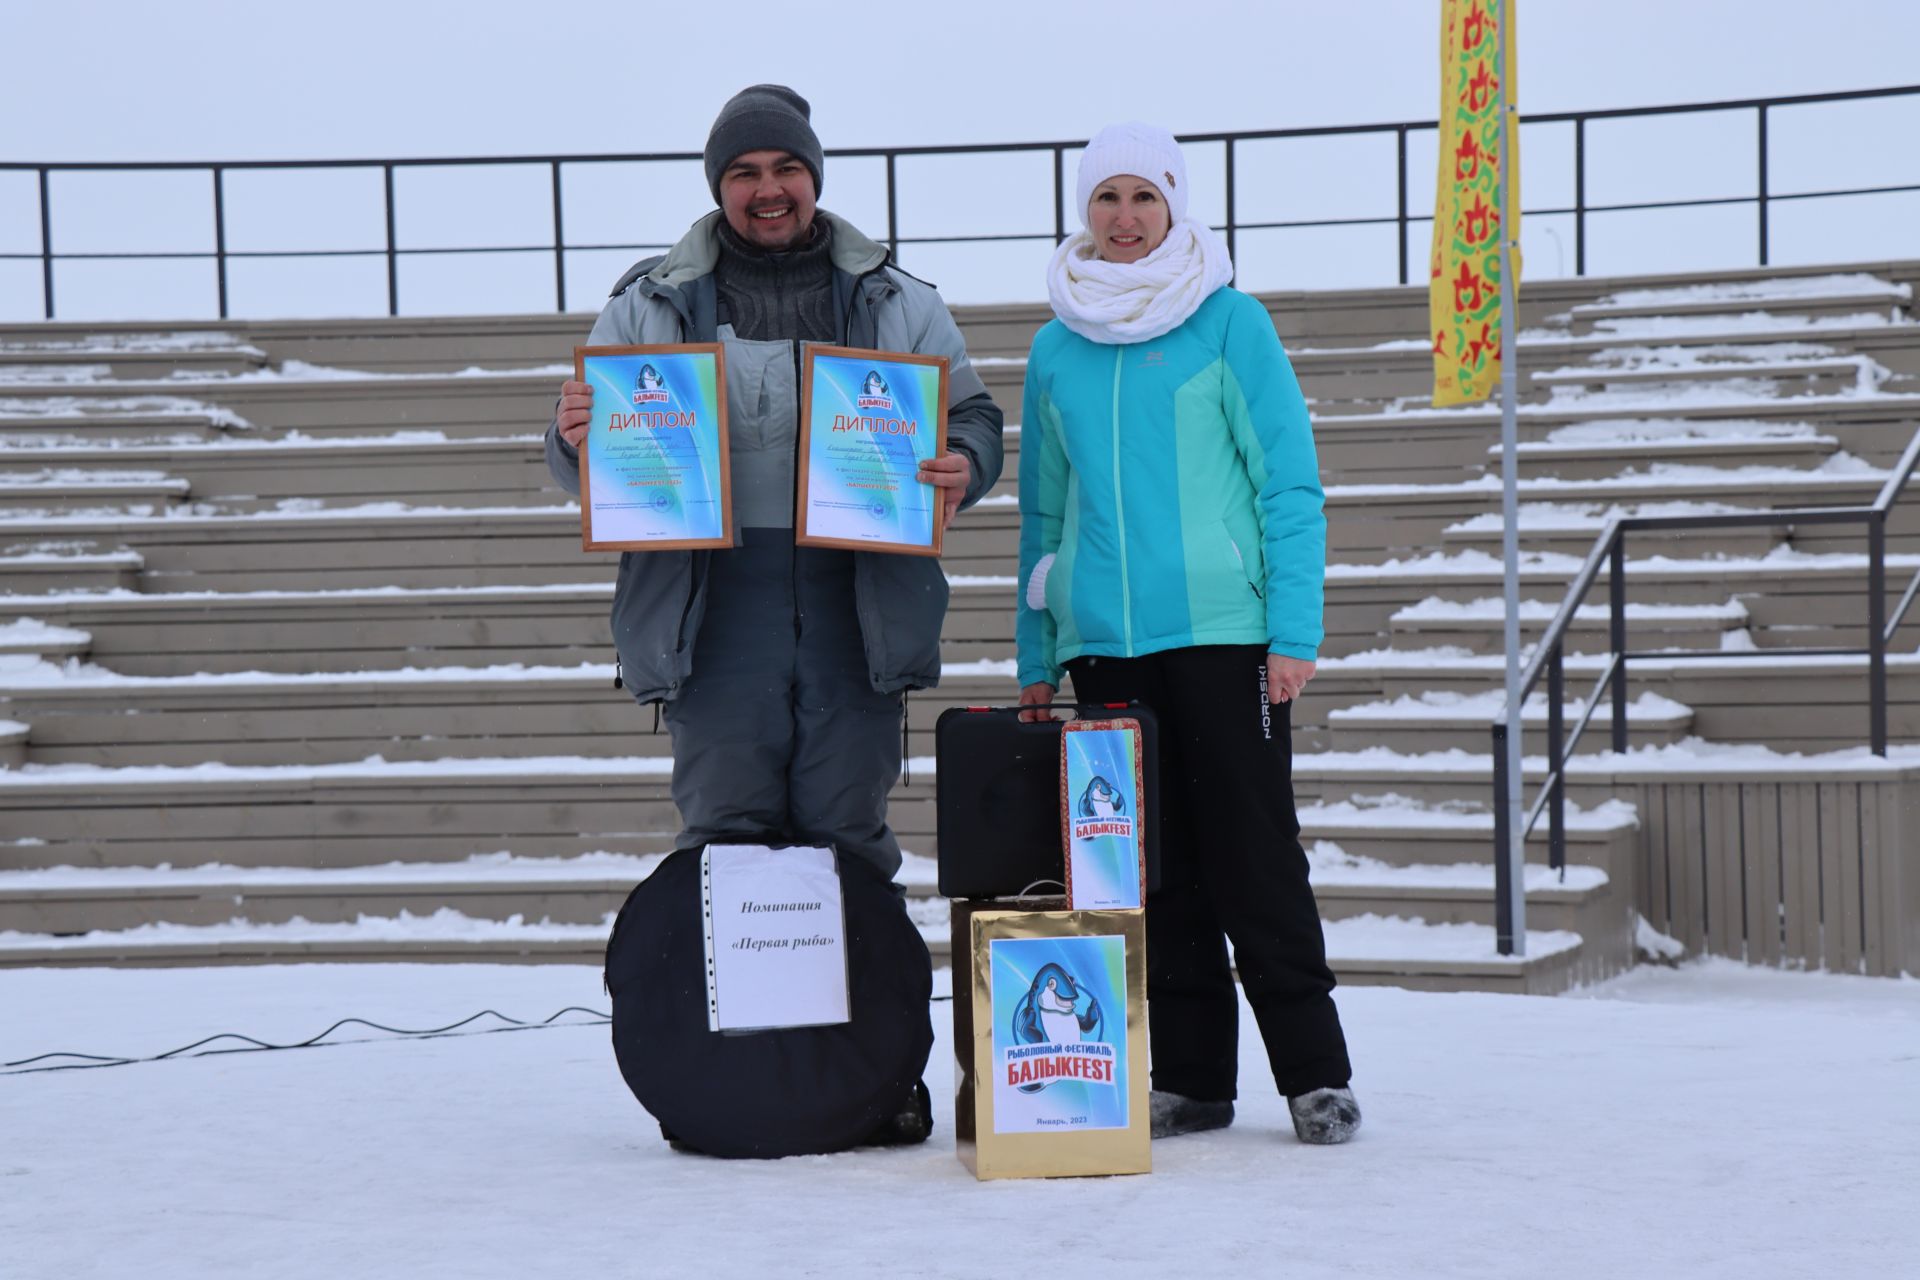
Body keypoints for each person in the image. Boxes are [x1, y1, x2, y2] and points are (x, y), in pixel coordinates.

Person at [546, 85, 1004, 1146]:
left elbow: (974, 414)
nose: (767, 190)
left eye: (785, 169)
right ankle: (736, 1076)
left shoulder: (897, 299)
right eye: (744, 172)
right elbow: (582, 450)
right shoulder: (647, 303)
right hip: (715, 611)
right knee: (728, 844)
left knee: (850, 842)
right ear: (719, 188)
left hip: (856, 601)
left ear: (815, 179)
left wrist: (961, 462)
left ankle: (879, 1073)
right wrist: (575, 432)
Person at [1014, 122, 1360, 1145]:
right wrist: (1038, 657)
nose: (1125, 220)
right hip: (1104, 646)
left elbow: (1289, 486)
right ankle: (1195, 1080)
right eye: (1107, 199)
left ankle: (1315, 1072)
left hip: (1226, 637)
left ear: (1176, 207)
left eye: (1144, 199)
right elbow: (1042, 515)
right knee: (1147, 867)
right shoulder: (1056, 344)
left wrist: (1293, 630)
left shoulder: (1228, 323)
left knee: (1254, 858)